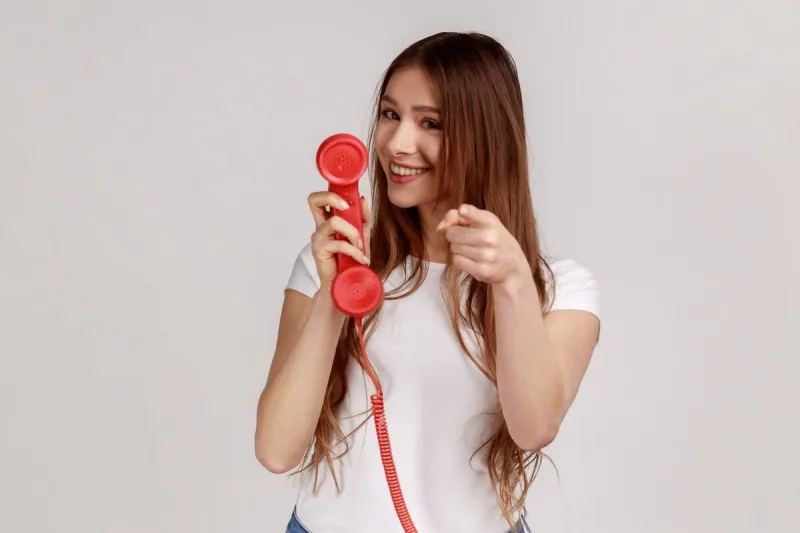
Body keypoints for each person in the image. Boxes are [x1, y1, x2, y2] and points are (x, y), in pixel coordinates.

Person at [255, 31, 601, 533]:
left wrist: (511, 284)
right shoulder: (327, 266)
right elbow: (275, 449)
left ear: (484, 137)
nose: (397, 144)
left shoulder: (560, 289)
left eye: (431, 123)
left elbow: (534, 429)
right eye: (391, 114)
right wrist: (338, 292)